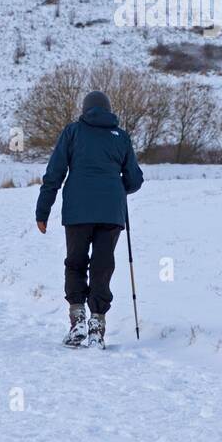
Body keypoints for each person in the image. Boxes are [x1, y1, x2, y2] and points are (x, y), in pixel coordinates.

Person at [35, 90, 143, 348]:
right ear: (108, 110)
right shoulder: (122, 137)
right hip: (111, 213)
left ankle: (77, 321)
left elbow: (54, 173)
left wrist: (43, 211)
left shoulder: (73, 132)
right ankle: (98, 325)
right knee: (102, 265)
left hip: (78, 211)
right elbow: (135, 179)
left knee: (75, 262)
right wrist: (116, 187)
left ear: (85, 109)